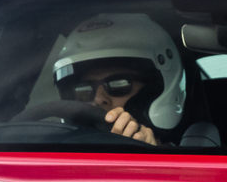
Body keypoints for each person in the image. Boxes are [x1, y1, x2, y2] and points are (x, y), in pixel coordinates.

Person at [49, 14, 187, 146]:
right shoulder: (57, 155)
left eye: (118, 85)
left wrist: (150, 154)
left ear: (152, 91)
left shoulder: (191, 160)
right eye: (84, 90)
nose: (98, 99)